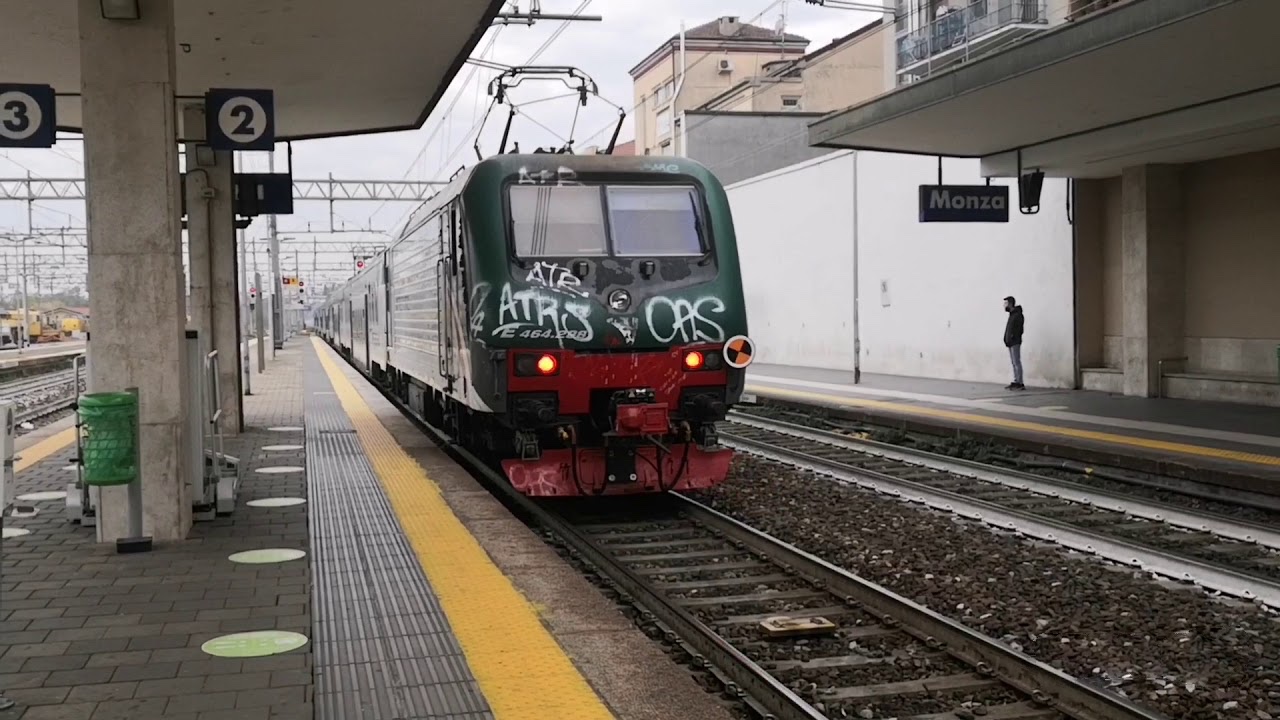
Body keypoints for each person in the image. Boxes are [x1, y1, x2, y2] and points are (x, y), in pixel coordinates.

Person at [1003, 296, 1025, 390]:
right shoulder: (1012, 315)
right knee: (1013, 362)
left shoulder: (1017, 315)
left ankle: (1020, 383)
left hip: (1015, 342)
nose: (1004, 305)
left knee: (1016, 362)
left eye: (1006, 303)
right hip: (1010, 342)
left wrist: (1012, 337)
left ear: (1011, 304)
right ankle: (1016, 381)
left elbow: (1019, 329)